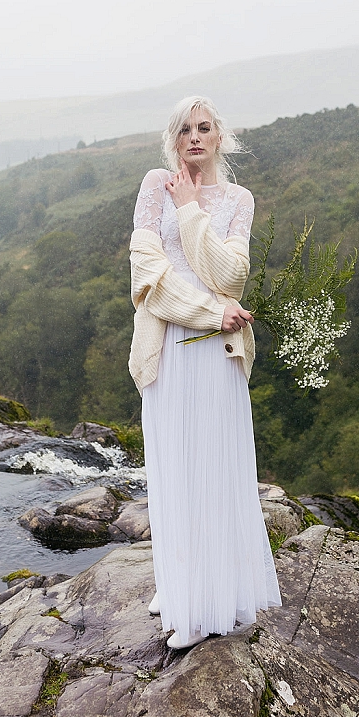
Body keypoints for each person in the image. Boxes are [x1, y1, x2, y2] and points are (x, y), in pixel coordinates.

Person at [127, 95, 281, 649]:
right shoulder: (154, 186)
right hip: (171, 343)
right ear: (173, 140)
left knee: (214, 468)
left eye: (204, 127)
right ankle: (179, 586)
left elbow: (230, 275)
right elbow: (147, 275)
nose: (194, 136)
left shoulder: (239, 199)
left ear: (220, 137)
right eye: (184, 129)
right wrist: (208, 312)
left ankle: (209, 603)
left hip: (218, 354)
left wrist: (191, 210)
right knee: (174, 465)